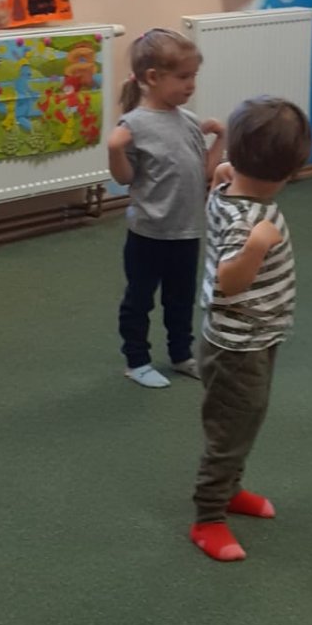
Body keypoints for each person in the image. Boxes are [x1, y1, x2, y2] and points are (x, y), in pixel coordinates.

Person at [191, 96, 312, 562]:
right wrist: (256, 248)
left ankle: (230, 489)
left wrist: (224, 172)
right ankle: (207, 517)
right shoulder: (249, 220)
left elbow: (219, 186)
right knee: (230, 429)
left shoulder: (227, 189)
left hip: (256, 336)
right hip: (235, 347)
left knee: (246, 419)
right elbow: (228, 281)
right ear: (290, 172)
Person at [108, 29, 224, 389]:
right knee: (139, 300)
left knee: (181, 299)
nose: (191, 85)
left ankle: (181, 355)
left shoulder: (187, 120)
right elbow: (125, 178)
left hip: (186, 231)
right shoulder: (134, 124)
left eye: (194, 76)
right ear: (153, 77)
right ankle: (136, 361)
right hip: (148, 234)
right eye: (183, 77)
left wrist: (221, 139)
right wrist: (115, 149)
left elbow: (204, 174)